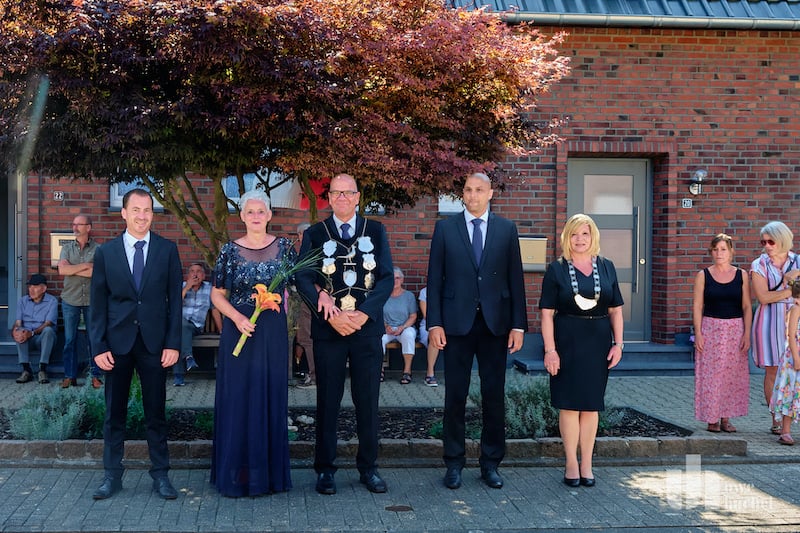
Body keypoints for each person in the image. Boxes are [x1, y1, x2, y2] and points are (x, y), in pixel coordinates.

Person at [426, 172, 527, 491]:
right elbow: (434, 278)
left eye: (479, 190)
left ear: (490, 193)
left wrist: (518, 324)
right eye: (468, 190)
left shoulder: (506, 229)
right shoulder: (445, 228)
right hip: (456, 325)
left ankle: (490, 463)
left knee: (493, 396)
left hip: (495, 325)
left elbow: (516, 279)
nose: (473, 195)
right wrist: (434, 323)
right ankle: (453, 463)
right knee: (455, 396)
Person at [295, 173, 394, 496]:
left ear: (357, 197)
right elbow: (303, 278)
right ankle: (325, 469)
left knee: (367, 401)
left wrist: (364, 314)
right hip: (329, 330)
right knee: (328, 401)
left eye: (347, 193)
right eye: (336, 193)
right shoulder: (314, 233)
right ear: (329, 198)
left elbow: (386, 278)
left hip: (366, 331)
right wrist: (327, 309)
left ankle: (369, 468)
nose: (342, 198)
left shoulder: (375, 231)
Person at [89, 189, 183, 501]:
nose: (142, 216)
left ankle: (161, 476)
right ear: (124, 213)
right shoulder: (106, 253)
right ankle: (111, 476)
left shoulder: (167, 250)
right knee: (114, 414)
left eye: (147, 210)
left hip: (155, 345)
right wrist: (98, 346)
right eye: (136, 210)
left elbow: (175, 303)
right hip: (116, 346)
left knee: (155, 413)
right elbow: (97, 304)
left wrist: (173, 343)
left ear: (152, 214)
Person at [210, 190, 295, 497]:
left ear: (269, 215)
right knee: (239, 398)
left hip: (272, 333)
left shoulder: (284, 248)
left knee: (270, 396)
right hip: (240, 331)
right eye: (250, 211)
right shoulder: (229, 251)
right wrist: (236, 317)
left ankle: (268, 476)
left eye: (261, 211)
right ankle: (237, 474)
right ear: (242, 216)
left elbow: (294, 288)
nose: (256, 216)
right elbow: (216, 294)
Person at [540, 213, 623, 488]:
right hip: (566, 342)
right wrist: (550, 350)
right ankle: (571, 464)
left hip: (598, 343)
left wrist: (619, 344)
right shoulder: (556, 269)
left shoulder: (607, 267)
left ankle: (587, 464)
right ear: (567, 237)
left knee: (590, 405)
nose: (580, 239)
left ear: (593, 236)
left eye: (585, 233)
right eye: (574, 234)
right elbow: (546, 314)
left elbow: (616, 310)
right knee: (569, 404)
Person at [692, 234, 752, 433]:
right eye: (715, 249)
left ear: (731, 251)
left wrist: (747, 334)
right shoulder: (703, 275)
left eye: (723, 249)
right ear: (711, 252)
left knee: (731, 375)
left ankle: (726, 418)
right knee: (711, 375)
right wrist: (698, 333)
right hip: (711, 329)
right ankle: (711, 418)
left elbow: (747, 306)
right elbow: (697, 306)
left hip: (735, 329)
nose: (719, 253)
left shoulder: (742, 275)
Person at [750, 221, 800, 435]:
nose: (767, 246)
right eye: (763, 242)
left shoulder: (798, 261)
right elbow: (763, 297)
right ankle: (776, 419)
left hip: (796, 318)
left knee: (795, 368)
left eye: (771, 241)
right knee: (773, 369)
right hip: (769, 320)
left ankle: (792, 415)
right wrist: (792, 289)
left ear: (782, 240)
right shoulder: (759, 264)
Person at [58, 214, 103, 389]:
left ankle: (95, 376)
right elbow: (62, 270)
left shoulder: (99, 249)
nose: (75, 227)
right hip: (70, 299)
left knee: (94, 339)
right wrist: (86, 266)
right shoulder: (67, 248)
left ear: (88, 228)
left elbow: (98, 273)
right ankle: (70, 376)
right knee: (70, 339)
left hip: (92, 300)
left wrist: (72, 269)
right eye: (73, 224)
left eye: (79, 224)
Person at [174, 262, 221, 387]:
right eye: (192, 271)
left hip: (196, 326)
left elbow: (215, 309)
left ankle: (179, 375)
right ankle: (188, 358)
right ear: (188, 275)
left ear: (204, 275)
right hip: (180, 326)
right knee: (179, 332)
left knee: (180, 330)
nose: (195, 274)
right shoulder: (181, 287)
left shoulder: (209, 289)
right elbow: (174, 306)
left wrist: (221, 330)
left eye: (198, 271)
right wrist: (186, 288)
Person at [11, 274, 58, 384]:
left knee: (48, 330)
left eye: (35, 287)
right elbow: (18, 323)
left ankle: (42, 370)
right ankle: (26, 370)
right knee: (20, 331)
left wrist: (31, 333)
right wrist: (15, 331)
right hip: (27, 338)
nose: (31, 290)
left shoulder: (52, 301)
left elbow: (48, 323)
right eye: (30, 287)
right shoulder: (22, 301)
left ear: (44, 289)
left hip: (42, 338)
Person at [771, 278, 800, 445]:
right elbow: (791, 335)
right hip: (794, 358)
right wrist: (796, 358)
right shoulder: (796, 309)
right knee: (790, 391)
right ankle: (785, 431)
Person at [380, 267, 418, 384]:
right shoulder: (383, 295)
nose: (395, 281)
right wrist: (386, 326)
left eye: (397, 278)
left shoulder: (409, 296)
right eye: (392, 278)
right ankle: (379, 370)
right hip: (387, 328)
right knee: (378, 338)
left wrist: (403, 327)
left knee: (408, 335)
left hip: (405, 327)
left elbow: (413, 316)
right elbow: (378, 315)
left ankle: (407, 371)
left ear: (402, 280)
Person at [293, 222, 316, 388]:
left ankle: (314, 377)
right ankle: (310, 374)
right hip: (303, 301)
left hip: (308, 301)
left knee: (308, 339)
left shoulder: (308, 254)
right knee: (304, 338)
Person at [417, 286, 440, 386]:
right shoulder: (424, 292)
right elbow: (426, 315)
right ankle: (430, 373)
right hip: (428, 324)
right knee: (434, 337)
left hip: (448, 325)